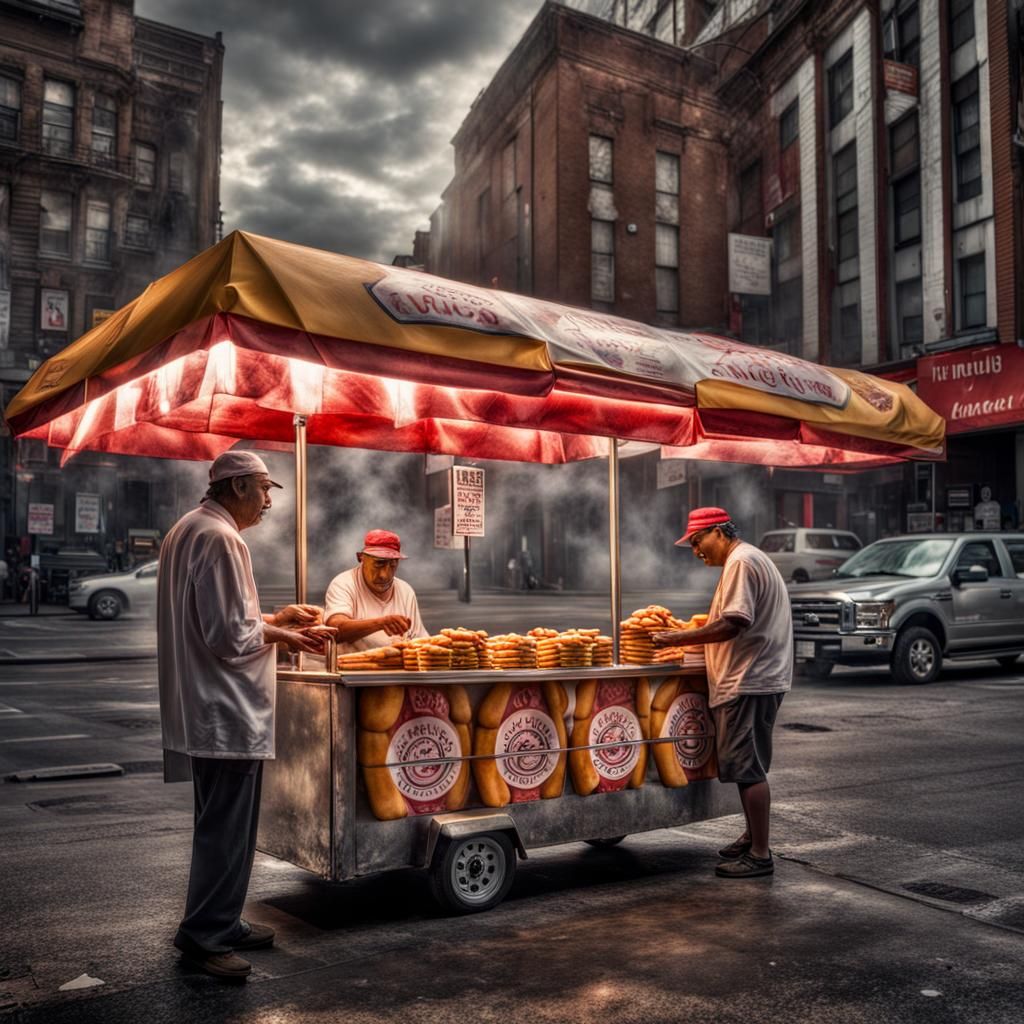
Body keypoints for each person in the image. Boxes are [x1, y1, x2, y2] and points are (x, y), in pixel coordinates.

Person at [158, 450, 333, 981]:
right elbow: (230, 635)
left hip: (207, 707)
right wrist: (287, 634)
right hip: (226, 710)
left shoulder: (187, 530)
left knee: (221, 826)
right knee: (226, 830)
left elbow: (220, 615)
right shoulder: (221, 538)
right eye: (263, 489)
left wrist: (276, 616)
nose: (268, 502)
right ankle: (206, 934)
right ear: (236, 487)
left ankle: (221, 920)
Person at [653, 507, 792, 879]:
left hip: (748, 680)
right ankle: (752, 837)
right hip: (758, 677)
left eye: (698, 542)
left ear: (718, 532)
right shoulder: (749, 558)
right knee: (750, 764)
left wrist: (678, 637)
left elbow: (734, 622)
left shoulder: (741, 562)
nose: (697, 551)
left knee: (748, 770)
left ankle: (760, 854)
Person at [324, 529, 428, 652]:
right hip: (352, 669)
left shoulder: (405, 591)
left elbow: (418, 640)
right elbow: (335, 630)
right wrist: (380, 623)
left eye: (393, 565)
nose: (384, 575)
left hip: (395, 669)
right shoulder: (344, 583)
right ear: (361, 558)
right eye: (379, 564)